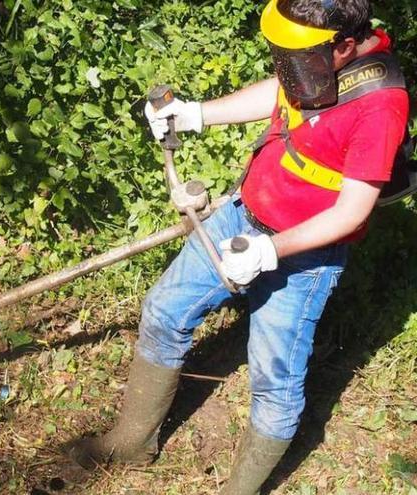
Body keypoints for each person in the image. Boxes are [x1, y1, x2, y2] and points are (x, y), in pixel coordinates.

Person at [67, 0, 411, 493]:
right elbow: (283, 92)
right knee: (164, 311)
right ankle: (130, 443)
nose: (288, 68)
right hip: (240, 216)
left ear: (345, 46)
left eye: (298, 60)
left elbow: (352, 211)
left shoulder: (381, 104)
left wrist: (269, 252)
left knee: (274, 385)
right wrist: (196, 115)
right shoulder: (314, 67)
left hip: (304, 260)